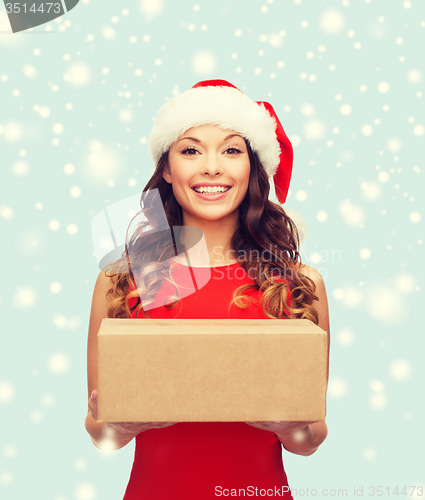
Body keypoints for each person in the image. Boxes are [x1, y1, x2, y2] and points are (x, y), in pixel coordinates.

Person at [85, 79, 330, 500]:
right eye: (191, 149)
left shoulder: (297, 284)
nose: (212, 167)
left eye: (232, 150)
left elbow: (310, 440)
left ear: (253, 167)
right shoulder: (122, 281)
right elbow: (101, 435)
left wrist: (290, 428)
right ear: (166, 167)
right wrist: (119, 426)